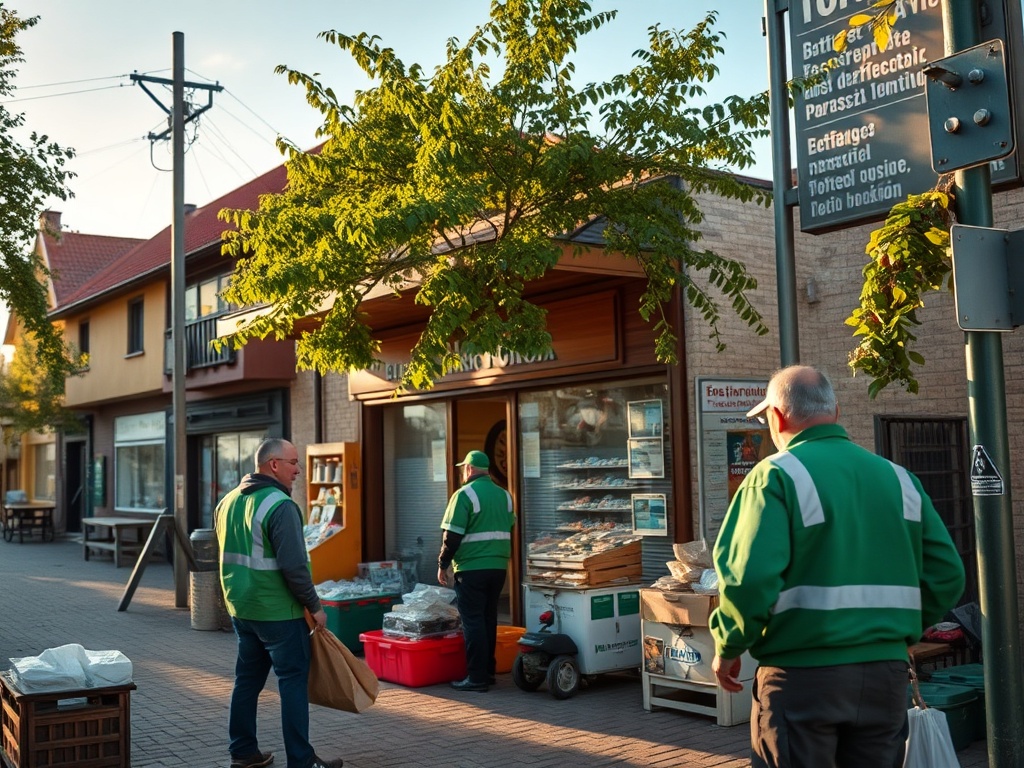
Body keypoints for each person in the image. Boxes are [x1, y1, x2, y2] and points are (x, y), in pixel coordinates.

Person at [709, 365, 965, 768]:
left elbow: (749, 580)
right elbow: (948, 575)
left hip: (802, 678)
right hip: (885, 679)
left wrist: (728, 646)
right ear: (837, 412)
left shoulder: (774, 476)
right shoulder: (899, 479)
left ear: (776, 417)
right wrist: (893, 628)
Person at [216, 438, 344, 768]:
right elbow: (294, 567)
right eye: (293, 463)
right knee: (292, 684)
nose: (299, 470)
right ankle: (301, 761)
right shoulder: (280, 505)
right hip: (279, 613)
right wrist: (315, 606)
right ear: (273, 465)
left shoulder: (227, 501)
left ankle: (242, 752)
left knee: (246, 681)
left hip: (242, 609)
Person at [437, 450, 516, 692]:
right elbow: (509, 527)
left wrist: (442, 565)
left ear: (469, 469)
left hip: (471, 568)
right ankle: (488, 672)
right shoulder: (505, 495)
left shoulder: (463, 495)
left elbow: (451, 536)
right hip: (498, 568)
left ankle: (477, 678)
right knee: (488, 619)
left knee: (472, 622)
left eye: (464, 468)